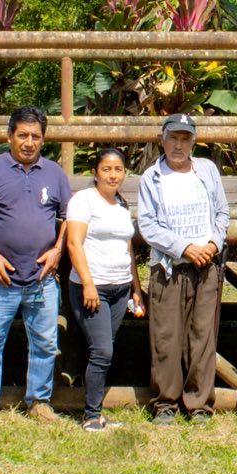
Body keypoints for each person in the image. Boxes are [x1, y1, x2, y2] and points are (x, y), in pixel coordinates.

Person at [0, 106, 72, 421]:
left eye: (35, 136)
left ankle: (39, 401)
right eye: (22, 135)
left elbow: (69, 217)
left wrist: (57, 250)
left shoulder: (54, 173)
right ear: (9, 136)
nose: (29, 142)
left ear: (43, 139)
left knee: (45, 342)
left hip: (41, 278)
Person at [135, 113, 232, 423]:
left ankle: (199, 404)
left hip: (207, 267)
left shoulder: (207, 170)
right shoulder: (152, 177)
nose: (179, 145)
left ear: (193, 141)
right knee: (166, 336)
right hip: (170, 267)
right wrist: (184, 248)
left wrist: (213, 244)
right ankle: (165, 403)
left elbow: (222, 213)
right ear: (162, 140)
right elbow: (148, 225)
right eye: (173, 138)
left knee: (202, 337)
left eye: (185, 138)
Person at [65, 147, 142, 433]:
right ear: (95, 173)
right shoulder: (84, 200)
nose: (113, 175)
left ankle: (95, 410)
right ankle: (91, 415)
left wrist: (136, 289)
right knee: (102, 351)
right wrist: (88, 284)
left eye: (118, 169)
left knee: (103, 349)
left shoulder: (121, 204)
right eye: (106, 169)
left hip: (120, 287)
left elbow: (128, 249)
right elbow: (73, 243)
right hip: (93, 286)